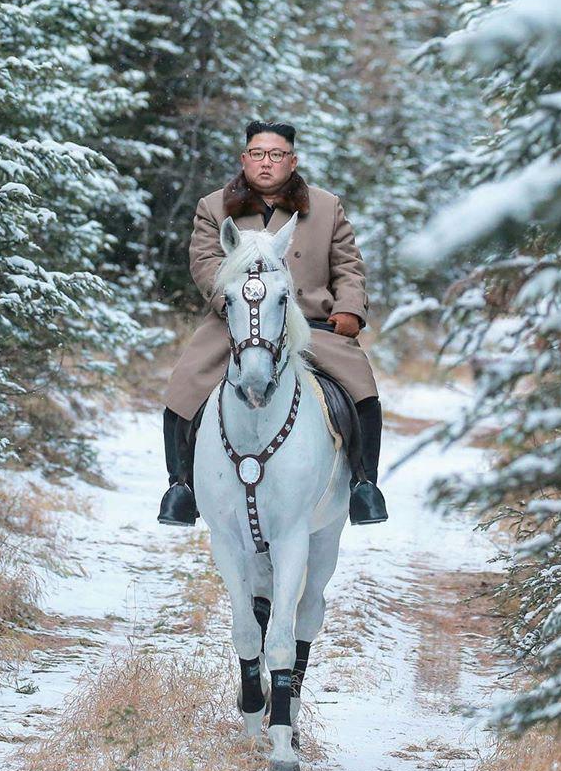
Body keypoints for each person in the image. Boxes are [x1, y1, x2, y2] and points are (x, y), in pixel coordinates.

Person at [158, 120, 388, 527]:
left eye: (277, 155)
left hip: (313, 324)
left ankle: (363, 486)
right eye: (259, 154)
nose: (267, 163)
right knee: (184, 387)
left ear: (292, 160)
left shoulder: (326, 206)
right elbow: (206, 264)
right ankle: (182, 487)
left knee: (362, 392)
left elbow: (349, 266)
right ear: (245, 159)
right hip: (236, 323)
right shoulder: (213, 208)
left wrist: (350, 308)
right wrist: (233, 300)